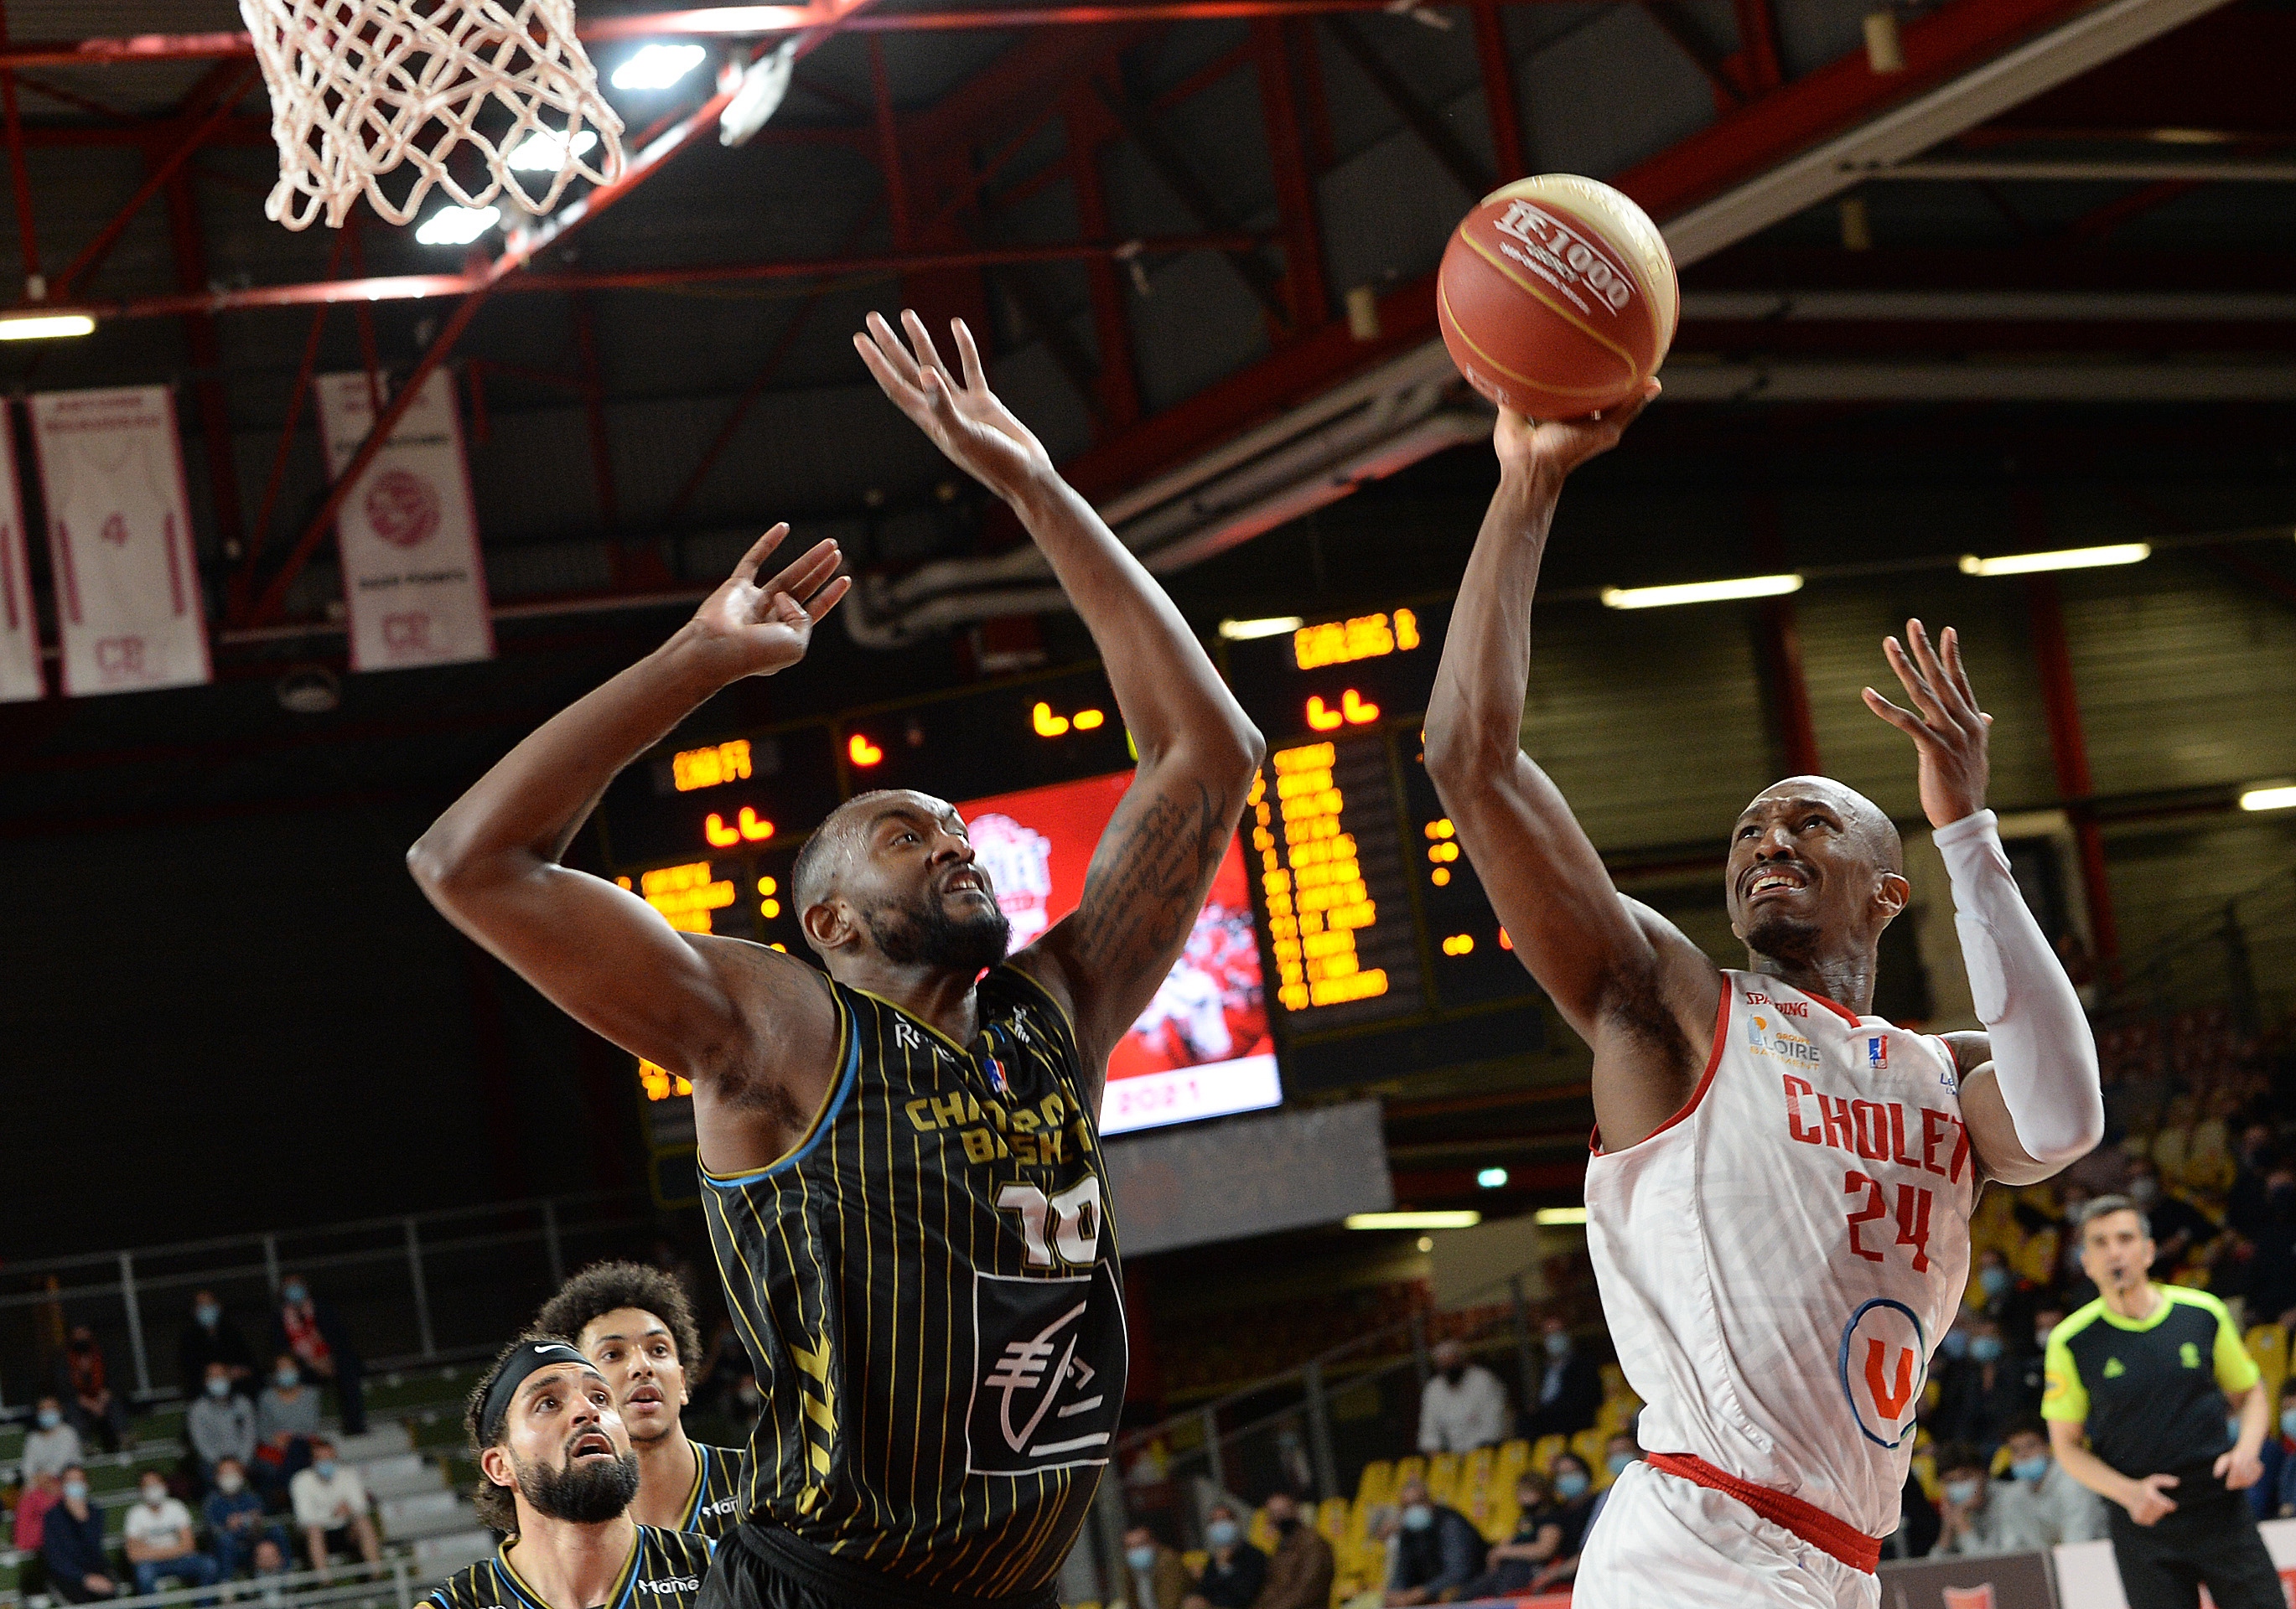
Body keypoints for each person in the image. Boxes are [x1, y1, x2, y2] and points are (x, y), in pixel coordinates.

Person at [408, 308, 1262, 1609]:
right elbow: (469, 863)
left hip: (1014, 1585)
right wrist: (691, 664)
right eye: (905, 834)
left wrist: (1033, 484)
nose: (952, 842)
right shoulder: (778, 1033)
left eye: (958, 829)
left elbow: (1210, 754)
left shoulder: (1054, 1014)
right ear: (829, 923)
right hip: (830, 1590)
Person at [1422, 385, 2106, 1609]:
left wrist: (1969, 833)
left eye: (1806, 822)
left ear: (1887, 893)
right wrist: (1526, 486)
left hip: (1836, 1561)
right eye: (1746, 830)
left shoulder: (1933, 1073)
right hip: (1700, 1544)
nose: (1765, 841)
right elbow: (1468, 757)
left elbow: (2062, 1120)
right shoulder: (1670, 1007)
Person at [2044, 1195, 2280, 1608]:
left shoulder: (2203, 1312)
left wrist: (2246, 1450)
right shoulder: (2070, 1340)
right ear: (2086, 1262)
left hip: (2219, 1504)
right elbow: (2065, 1445)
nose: (2115, 1251)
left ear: (2149, 1251)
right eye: (2100, 1243)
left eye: (2125, 1238)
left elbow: (2252, 1394)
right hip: (2142, 1518)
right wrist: (2128, 1493)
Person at [426, 1338, 713, 1609]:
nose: (587, 1410)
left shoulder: (716, 1571)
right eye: (548, 1403)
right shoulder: (461, 1603)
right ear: (500, 1466)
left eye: (600, 1397)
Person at [535, 1260, 752, 1537]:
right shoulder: (563, 1531)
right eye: (612, 1354)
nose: (642, 1366)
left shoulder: (760, 1481)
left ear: (683, 1383)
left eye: (658, 1350)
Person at [272, 1276, 365, 1437]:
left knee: (348, 1370)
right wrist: (311, 1363)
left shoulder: (322, 1308)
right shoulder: (280, 1317)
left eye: (297, 1286)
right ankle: (302, 1433)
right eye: (289, 1287)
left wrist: (329, 1360)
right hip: (304, 1365)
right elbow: (281, 1349)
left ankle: (355, 1427)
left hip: (331, 1360)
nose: (294, 1290)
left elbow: (341, 1339)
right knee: (292, 1378)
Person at [1931, 1315, 2035, 1455]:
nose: (1985, 1339)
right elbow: (1954, 1413)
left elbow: (2017, 1409)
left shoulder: (2015, 1370)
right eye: (1980, 1334)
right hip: (1969, 1444)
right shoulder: (1960, 1373)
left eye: (1992, 1335)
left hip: (2006, 1441)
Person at [1993, 1418, 2105, 1544]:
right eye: (2015, 1450)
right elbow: (2012, 1548)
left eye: (2031, 1446)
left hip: (2094, 1555)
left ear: (2048, 1446)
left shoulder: (2074, 1481)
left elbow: (2079, 1540)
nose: (2023, 1454)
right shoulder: (2013, 1495)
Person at [1455, 1472, 1565, 1599]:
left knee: (1504, 1591)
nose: (1523, 1497)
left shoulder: (1550, 1517)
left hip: (1530, 1570)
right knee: (1464, 1596)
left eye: (1528, 1491)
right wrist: (1497, 1552)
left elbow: (1544, 1550)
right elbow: (1512, 1541)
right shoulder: (1526, 1518)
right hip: (1508, 1569)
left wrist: (1505, 1552)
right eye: (1520, 1492)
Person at [1381, 1475, 1485, 1606]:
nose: (1413, 1509)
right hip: (1430, 1596)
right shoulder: (1408, 1532)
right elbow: (1402, 1570)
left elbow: (1459, 1572)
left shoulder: (1450, 1523)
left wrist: (1422, 1592)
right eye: (1407, 1506)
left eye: (1418, 1502)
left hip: (1467, 1593)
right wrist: (1394, 1594)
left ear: (1430, 1502)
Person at [289, 1436, 382, 1576]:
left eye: (329, 1458)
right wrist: (332, 1514)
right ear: (313, 1460)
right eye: (321, 1459)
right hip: (317, 1533)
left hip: (346, 1530)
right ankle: (325, 1582)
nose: (326, 1463)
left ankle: (377, 1574)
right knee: (314, 1530)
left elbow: (360, 1506)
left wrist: (347, 1511)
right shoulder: (300, 1481)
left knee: (363, 1522)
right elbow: (305, 1517)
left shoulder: (348, 1474)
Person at [124, 1471, 223, 1596]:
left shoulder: (177, 1507)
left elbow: (189, 1545)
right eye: (148, 1486)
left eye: (156, 1484)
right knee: (143, 1573)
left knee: (209, 1565)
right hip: (152, 1563)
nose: (153, 1489)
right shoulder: (135, 1514)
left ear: (164, 1486)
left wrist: (150, 1551)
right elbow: (133, 1554)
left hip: (179, 1560)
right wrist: (173, 1550)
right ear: (141, 1490)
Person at [1416, 1339, 1509, 1455]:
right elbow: (1429, 1432)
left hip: (1486, 1451)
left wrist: (1473, 1456)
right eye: (1444, 1364)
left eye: (1452, 1362)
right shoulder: (1433, 1389)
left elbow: (1494, 1425)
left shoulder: (1483, 1380)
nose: (1449, 1367)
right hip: (1452, 1457)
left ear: (1462, 1360)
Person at [205, 1457, 291, 1581]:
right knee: (225, 1540)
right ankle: (226, 1584)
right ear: (216, 1477)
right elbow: (213, 1532)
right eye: (225, 1473)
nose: (230, 1477)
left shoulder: (252, 1497)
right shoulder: (212, 1502)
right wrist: (228, 1527)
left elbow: (260, 1522)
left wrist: (255, 1523)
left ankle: (286, 1574)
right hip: (231, 1549)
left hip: (253, 1544)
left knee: (277, 1530)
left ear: (242, 1475)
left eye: (233, 1473)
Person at [1518, 1317, 1602, 1443]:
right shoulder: (1541, 1369)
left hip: (1574, 1421)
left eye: (1558, 1333)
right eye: (1549, 1334)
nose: (1554, 1338)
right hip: (1546, 1423)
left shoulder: (1584, 1365)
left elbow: (1585, 1398)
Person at [42, 1466, 117, 1602]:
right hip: (66, 1575)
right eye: (70, 1481)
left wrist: (83, 1521)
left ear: (86, 1485)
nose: (75, 1485)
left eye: (79, 1480)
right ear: (63, 1485)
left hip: (95, 1570)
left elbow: (94, 1551)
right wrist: (83, 1578)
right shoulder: (52, 1516)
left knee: (110, 1595)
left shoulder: (95, 1513)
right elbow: (55, 1558)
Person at [1928, 1444, 2017, 1558]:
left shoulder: (2007, 1498)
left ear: (1983, 1474)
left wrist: (1962, 1525)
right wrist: (1948, 1529)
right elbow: (1933, 1569)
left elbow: (1989, 1565)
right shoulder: (1955, 1506)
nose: (1959, 1485)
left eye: (1965, 1477)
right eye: (1951, 1481)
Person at [1249, 1491, 1333, 1609]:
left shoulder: (1313, 1543)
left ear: (1296, 1510)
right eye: (1274, 1513)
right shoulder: (1282, 1546)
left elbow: (1308, 1588)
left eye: (1284, 1510)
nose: (1279, 1516)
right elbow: (1272, 1588)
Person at [189, 1359, 259, 1487]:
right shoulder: (198, 1409)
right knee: (206, 1475)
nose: (217, 1379)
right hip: (213, 1462)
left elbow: (250, 1436)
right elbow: (201, 1443)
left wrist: (241, 1462)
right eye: (213, 1376)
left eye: (221, 1375)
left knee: (265, 1471)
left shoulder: (243, 1403)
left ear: (229, 1378)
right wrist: (223, 1466)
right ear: (205, 1381)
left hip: (243, 1459)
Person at [58, 1326, 129, 1451]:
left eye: (84, 1332)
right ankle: (84, 1445)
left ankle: (124, 1437)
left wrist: (102, 1399)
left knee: (115, 1403)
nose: (81, 1336)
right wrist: (90, 1404)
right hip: (79, 1402)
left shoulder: (103, 1353)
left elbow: (115, 1380)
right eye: (78, 1333)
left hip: (102, 1399)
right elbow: (65, 1388)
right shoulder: (63, 1358)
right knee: (71, 1409)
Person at [179, 1291, 259, 1399]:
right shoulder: (188, 1339)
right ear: (194, 1311)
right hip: (204, 1396)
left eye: (209, 1304)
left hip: (238, 1393)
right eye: (202, 1305)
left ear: (219, 1306)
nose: (206, 1308)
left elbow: (249, 1364)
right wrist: (216, 1375)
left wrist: (238, 1372)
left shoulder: (232, 1333)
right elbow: (189, 1373)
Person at [1184, 1502, 1263, 1609]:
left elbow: (1246, 1593)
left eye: (1224, 1519)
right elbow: (1204, 1590)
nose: (1220, 1526)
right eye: (1215, 1521)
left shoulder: (1254, 1555)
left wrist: (1225, 1568)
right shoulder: (1214, 1560)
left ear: (1236, 1522)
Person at [257, 1353, 320, 1487]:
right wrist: (275, 1440)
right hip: (275, 1446)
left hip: (304, 1443)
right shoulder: (266, 1397)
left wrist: (290, 1438)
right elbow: (262, 1428)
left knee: (297, 1449)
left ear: (298, 1370)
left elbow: (312, 1426)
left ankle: (289, 1487)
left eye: (289, 1367)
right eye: (281, 1368)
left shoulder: (311, 1394)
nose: (286, 1372)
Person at [1122, 1524, 1189, 1609]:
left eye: (1141, 1544)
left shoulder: (1169, 1563)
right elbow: (1132, 1602)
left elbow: (1170, 1604)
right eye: (1130, 1547)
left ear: (1154, 1543)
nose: (1136, 1551)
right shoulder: (1130, 1569)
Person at [23, 1394, 84, 1481]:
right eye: (43, 1409)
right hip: (39, 1482)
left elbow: (60, 1463)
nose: (47, 1412)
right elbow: (27, 1466)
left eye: (51, 1408)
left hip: (65, 1480)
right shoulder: (33, 1438)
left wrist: (44, 1477)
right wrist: (35, 1479)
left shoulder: (68, 1433)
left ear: (60, 1410)